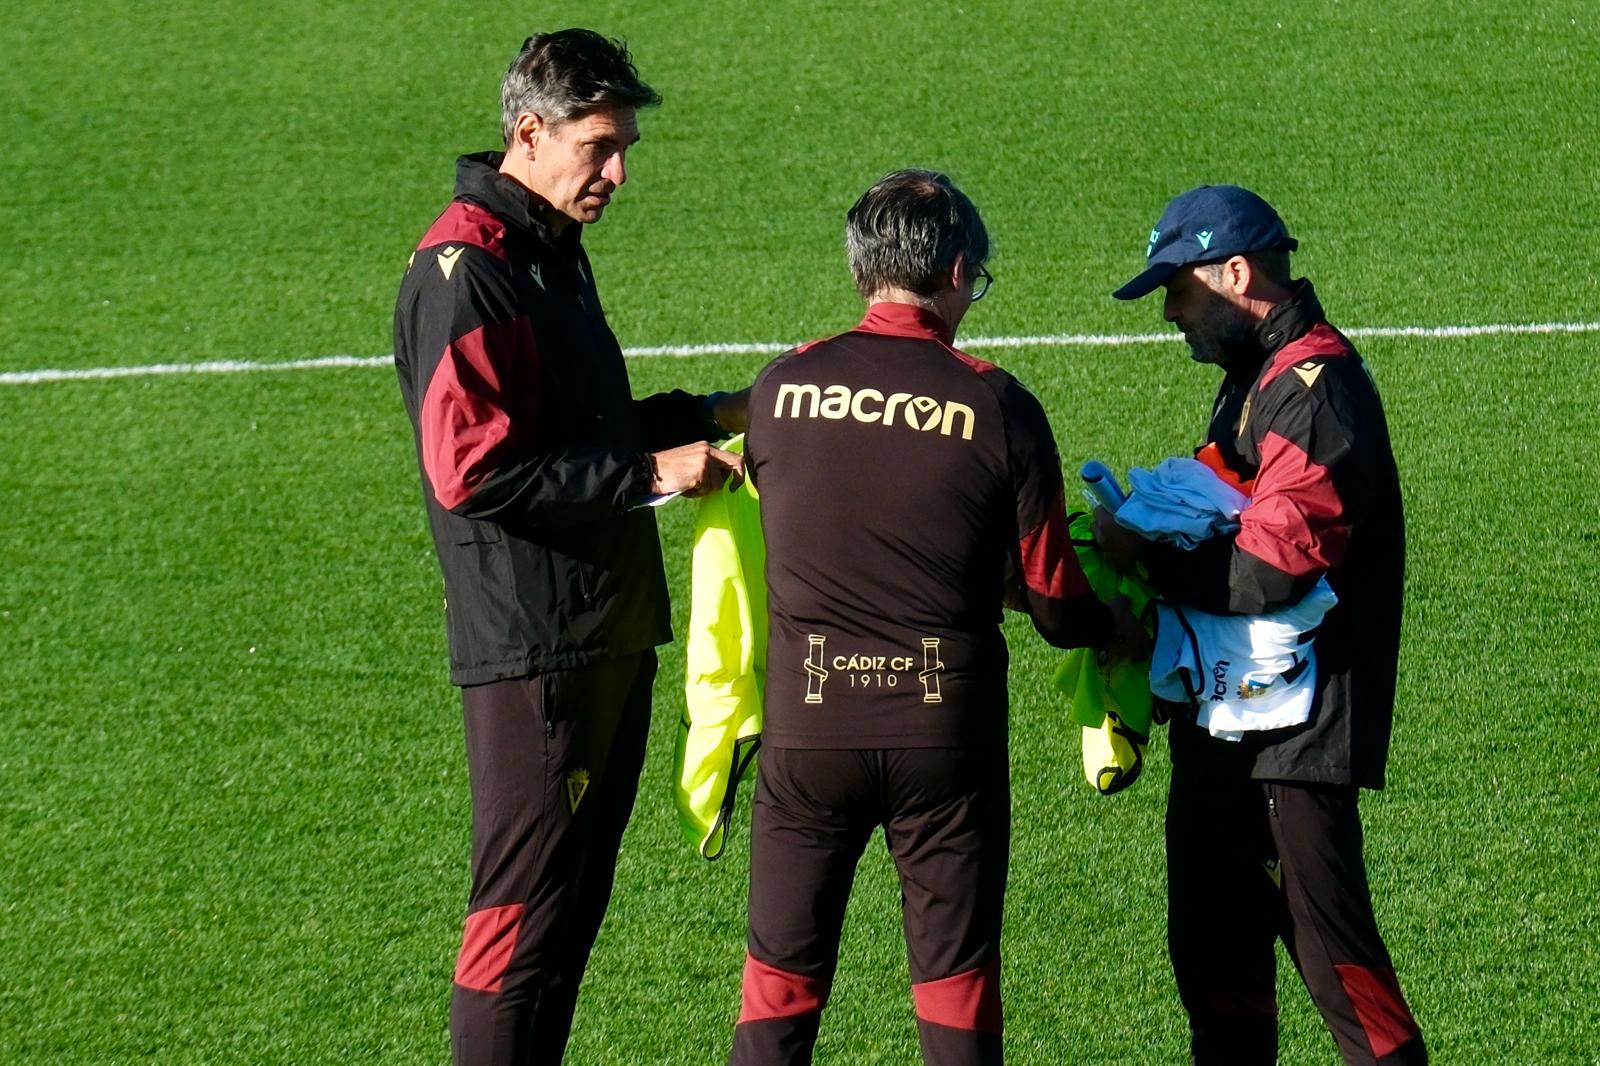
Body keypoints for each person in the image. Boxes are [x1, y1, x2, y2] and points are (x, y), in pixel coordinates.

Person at [729, 169, 1145, 1066]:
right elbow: (1056, 604)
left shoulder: (779, 389)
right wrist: (1122, 628)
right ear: (957, 271)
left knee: (779, 992)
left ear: (860, 269)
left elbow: (824, 521)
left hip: (809, 735)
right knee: (955, 991)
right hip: (941, 741)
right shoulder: (999, 404)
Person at [392, 29, 746, 1066]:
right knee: (518, 921)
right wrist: (653, 474)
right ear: (531, 132)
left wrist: (713, 410)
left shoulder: (543, 248)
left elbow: (571, 426)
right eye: (601, 146)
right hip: (537, 650)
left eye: (625, 145)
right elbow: (476, 470)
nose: (619, 172)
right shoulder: (467, 272)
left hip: (597, 632)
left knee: (565, 922)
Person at [1098, 184, 1427, 1065]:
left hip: (1295, 736)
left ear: (1237, 273)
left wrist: (1142, 558)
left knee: (1340, 972)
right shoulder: (1256, 380)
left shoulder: (1315, 388)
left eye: (1179, 288)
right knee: (1215, 964)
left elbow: (1270, 569)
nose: (1170, 313)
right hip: (1230, 721)